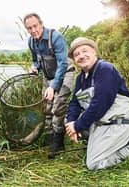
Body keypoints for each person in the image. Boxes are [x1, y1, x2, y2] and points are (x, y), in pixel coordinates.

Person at [65, 37, 129, 170]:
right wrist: (71, 123)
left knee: (94, 164)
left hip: (118, 122)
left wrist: (78, 125)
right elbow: (74, 103)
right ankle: (107, 141)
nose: (81, 56)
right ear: (74, 60)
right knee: (69, 119)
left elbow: (100, 104)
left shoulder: (105, 69)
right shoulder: (80, 78)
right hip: (101, 123)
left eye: (84, 51)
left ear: (94, 51)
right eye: (76, 54)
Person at [23, 13, 75, 159]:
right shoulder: (31, 42)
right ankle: (50, 140)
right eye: (29, 28)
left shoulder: (55, 37)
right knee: (46, 108)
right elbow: (36, 61)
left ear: (41, 24)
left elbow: (63, 64)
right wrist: (34, 68)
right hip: (48, 77)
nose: (33, 30)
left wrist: (53, 87)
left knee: (58, 106)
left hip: (65, 74)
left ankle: (59, 143)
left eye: (35, 26)